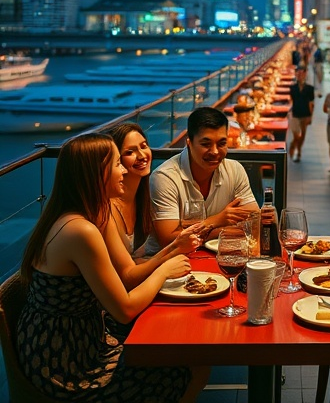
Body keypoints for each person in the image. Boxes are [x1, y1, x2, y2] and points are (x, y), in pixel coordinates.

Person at [17, 133, 209, 402]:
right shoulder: (80, 230)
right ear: (97, 173)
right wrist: (164, 270)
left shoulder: (91, 212)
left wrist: (173, 250)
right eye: (118, 163)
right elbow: (125, 310)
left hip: (80, 338)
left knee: (185, 349)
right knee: (189, 365)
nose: (123, 170)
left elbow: (126, 278)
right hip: (65, 360)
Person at [105, 122, 209, 289]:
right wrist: (173, 251)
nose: (142, 155)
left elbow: (131, 259)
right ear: (115, 160)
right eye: (130, 152)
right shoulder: (109, 208)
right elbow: (123, 274)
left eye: (144, 146)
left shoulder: (143, 197)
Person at [148, 107, 259, 254]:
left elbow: (255, 221)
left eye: (221, 143)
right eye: (206, 144)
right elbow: (169, 240)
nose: (214, 151)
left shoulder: (235, 170)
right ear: (189, 142)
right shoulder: (165, 178)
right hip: (168, 261)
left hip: (219, 256)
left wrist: (195, 230)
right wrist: (216, 221)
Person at [289, 65, 315, 162]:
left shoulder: (310, 89)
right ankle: (293, 147)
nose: (299, 75)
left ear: (305, 74)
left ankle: (298, 151)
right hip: (295, 114)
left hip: (305, 114)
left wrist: (310, 116)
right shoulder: (292, 88)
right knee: (297, 136)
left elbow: (311, 104)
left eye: (301, 73)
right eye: (298, 73)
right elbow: (290, 101)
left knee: (303, 135)